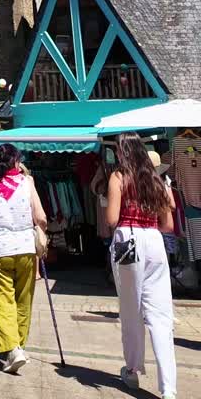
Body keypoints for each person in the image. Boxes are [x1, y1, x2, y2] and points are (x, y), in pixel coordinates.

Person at [106, 133, 177, 398]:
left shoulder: (119, 177)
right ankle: (168, 388)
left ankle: (133, 369)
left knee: (131, 310)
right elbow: (168, 225)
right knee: (160, 316)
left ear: (122, 151)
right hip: (155, 241)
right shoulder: (155, 178)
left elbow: (112, 219)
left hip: (128, 240)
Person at [0, 143, 47, 374]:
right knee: (23, 300)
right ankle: (19, 345)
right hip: (25, 247)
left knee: (2, 300)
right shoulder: (27, 182)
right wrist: (42, 232)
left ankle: (12, 349)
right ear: (16, 161)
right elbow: (40, 216)